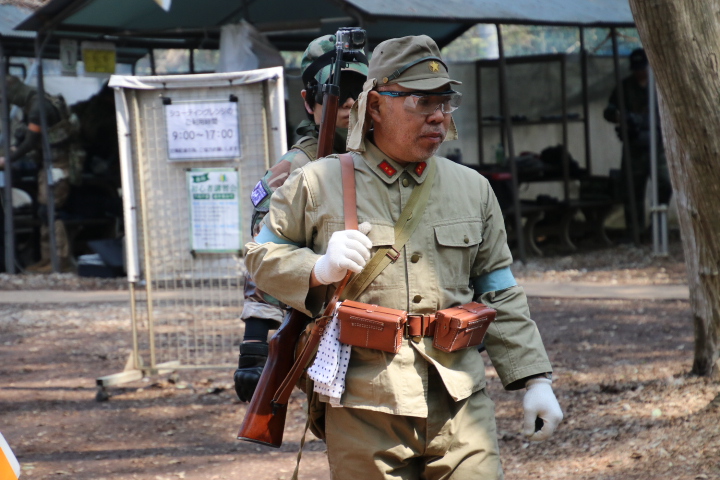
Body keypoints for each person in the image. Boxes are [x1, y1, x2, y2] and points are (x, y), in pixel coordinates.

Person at [245, 35, 562, 479]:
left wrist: (535, 379)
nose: (438, 115)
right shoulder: (317, 183)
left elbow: (498, 289)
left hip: (460, 404)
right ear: (375, 106)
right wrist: (317, 269)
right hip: (364, 407)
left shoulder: (472, 189)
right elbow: (260, 255)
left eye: (445, 102)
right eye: (421, 101)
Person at [233, 35, 368, 402]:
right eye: (336, 94)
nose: (350, 103)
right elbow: (265, 254)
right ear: (309, 101)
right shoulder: (297, 168)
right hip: (320, 316)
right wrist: (254, 342)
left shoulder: (383, 157)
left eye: (359, 92)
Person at [0, 76, 84, 273]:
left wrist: (8, 159)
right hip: (49, 164)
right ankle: (48, 258)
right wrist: (14, 149)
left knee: (50, 212)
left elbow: (30, 142)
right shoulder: (35, 102)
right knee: (44, 211)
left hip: (57, 166)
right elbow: (26, 137)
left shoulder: (39, 107)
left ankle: (59, 261)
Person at [604, 48, 672, 238]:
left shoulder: (660, 85)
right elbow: (609, 111)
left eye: (642, 68)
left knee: (665, 184)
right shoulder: (625, 87)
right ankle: (635, 231)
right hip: (634, 147)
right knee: (632, 190)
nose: (640, 72)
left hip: (658, 145)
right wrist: (621, 117)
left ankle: (658, 227)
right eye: (637, 69)